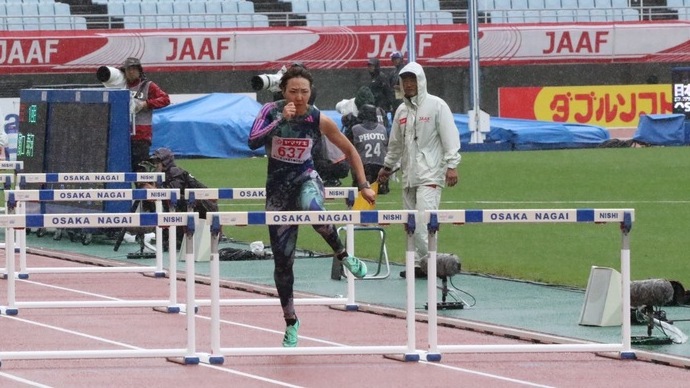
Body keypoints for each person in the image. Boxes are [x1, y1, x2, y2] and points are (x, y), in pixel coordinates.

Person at [248, 65, 376, 348]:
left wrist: (363, 184)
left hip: (306, 179)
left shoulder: (318, 118)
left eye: (304, 91)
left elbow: (350, 150)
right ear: (283, 91)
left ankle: (343, 255)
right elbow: (253, 141)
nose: (299, 96)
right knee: (283, 262)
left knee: (315, 209)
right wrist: (280, 119)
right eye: (293, 91)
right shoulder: (270, 111)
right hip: (278, 190)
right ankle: (291, 321)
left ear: (310, 92)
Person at [377, 62, 461, 279]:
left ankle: (433, 264)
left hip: (430, 174)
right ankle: (417, 264)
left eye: (412, 80)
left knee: (424, 223)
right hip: (408, 175)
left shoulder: (437, 106)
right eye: (405, 80)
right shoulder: (401, 111)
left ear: (421, 81)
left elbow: (450, 136)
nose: (408, 84)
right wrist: (387, 167)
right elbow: (395, 143)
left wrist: (452, 165)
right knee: (411, 224)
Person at [139, 147, 218, 246]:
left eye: (157, 162)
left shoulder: (174, 173)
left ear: (165, 162)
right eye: (154, 162)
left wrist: (156, 191)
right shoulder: (160, 176)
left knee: (178, 203)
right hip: (183, 211)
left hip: (195, 211)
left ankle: (188, 235)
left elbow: (174, 197)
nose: (154, 165)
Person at [121, 57, 170, 172]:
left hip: (141, 136)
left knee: (141, 173)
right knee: (120, 173)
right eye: (128, 69)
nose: (131, 72)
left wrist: (145, 104)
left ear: (140, 70)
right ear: (124, 72)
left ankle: (143, 189)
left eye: (134, 69)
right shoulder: (119, 86)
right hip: (121, 135)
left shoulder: (148, 86)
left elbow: (165, 99)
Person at [344, 104, 390, 194]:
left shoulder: (355, 129)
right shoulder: (382, 129)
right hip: (381, 167)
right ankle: (382, 185)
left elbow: (348, 147)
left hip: (363, 167)